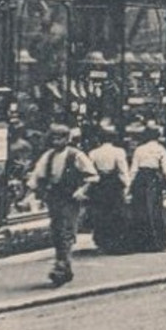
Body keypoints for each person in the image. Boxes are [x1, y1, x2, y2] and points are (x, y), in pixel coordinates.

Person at [31, 123, 98, 286]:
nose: (56, 141)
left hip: (70, 197)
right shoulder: (48, 156)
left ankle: (61, 266)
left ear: (67, 139)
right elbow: (37, 175)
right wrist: (32, 193)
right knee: (57, 229)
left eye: (60, 138)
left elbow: (92, 176)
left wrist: (82, 190)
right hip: (54, 196)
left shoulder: (76, 155)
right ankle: (64, 266)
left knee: (66, 230)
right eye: (53, 138)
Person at [85, 119, 134, 255]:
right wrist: (127, 187)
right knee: (116, 213)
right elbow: (123, 170)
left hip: (100, 185)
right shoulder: (119, 152)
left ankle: (102, 242)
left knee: (101, 214)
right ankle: (115, 242)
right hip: (113, 184)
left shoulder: (93, 153)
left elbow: (89, 170)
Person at [128, 120, 166, 253]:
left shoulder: (139, 150)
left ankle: (141, 243)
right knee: (155, 210)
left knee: (141, 210)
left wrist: (129, 185)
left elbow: (134, 169)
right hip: (154, 180)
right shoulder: (161, 149)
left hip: (141, 180)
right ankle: (157, 243)